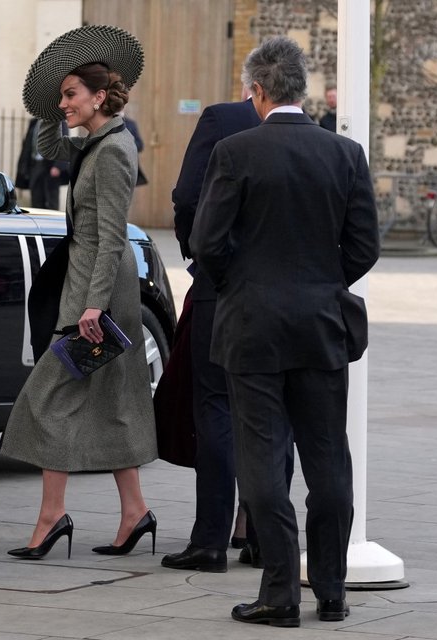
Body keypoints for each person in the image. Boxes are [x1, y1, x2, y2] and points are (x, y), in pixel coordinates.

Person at [190, 37, 379, 627]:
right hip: (321, 324)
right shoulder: (345, 153)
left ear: (258, 91)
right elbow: (365, 246)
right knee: (328, 460)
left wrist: (242, 283)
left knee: (262, 460)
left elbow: (206, 243)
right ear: (302, 87)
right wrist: (324, 284)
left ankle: (279, 593)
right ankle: (332, 589)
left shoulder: (235, 151)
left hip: (253, 327)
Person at [0, 25, 157, 560]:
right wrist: (57, 107)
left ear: (99, 95)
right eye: (62, 96)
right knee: (111, 401)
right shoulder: (97, 142)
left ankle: (52, 516)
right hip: (90, 286)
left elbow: (112, 234)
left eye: (70, 95)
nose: (63, 103)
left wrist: (93, 304)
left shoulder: (112, 150)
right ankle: (134, 513)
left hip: (97, 292)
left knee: (48, 398)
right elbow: (50, 145)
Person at [161, 89, 280, 574]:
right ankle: (261, 538)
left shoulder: (220, 118)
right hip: (281, 294)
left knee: (215, 408)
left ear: (254, 86)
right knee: (271, 414)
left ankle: (210, 540)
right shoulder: (315, 132)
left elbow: (187, 197)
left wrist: (200, 256)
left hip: (221, 287)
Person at [16, 118, 69, 209]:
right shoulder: (33, 122)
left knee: (51, 202)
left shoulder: (59, 121)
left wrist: (58, 166)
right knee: (36, 200)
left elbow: (64, 144)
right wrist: (24, 167)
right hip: (35, 165)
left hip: (50, 167)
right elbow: (27, 145)